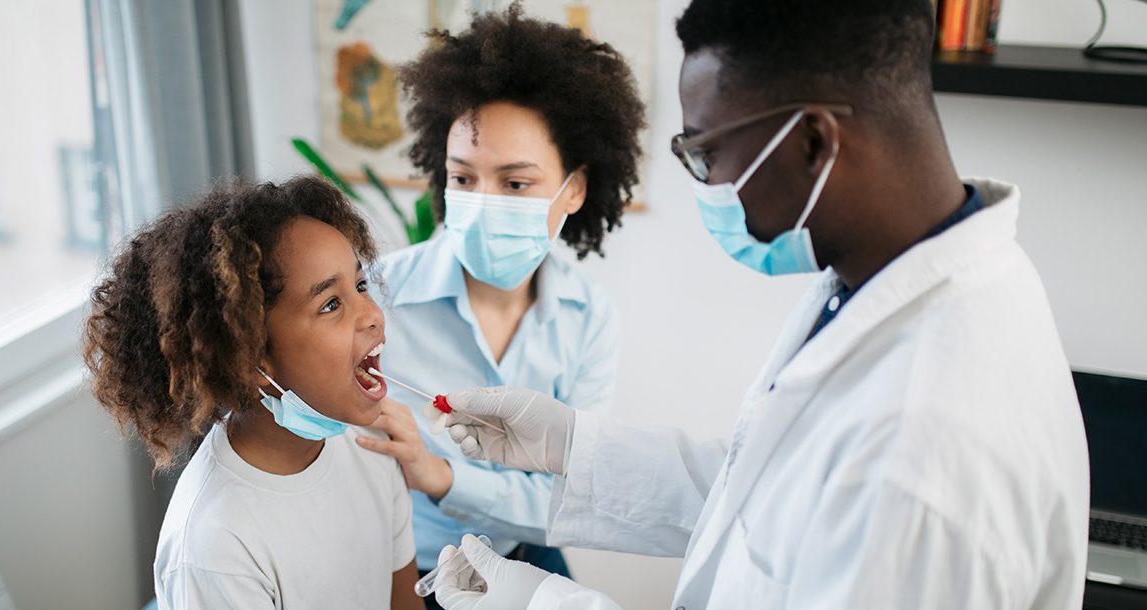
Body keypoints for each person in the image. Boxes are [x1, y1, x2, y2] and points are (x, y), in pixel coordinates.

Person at [424, 0, 1091, 608]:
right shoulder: (891, 281)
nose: (705, 185)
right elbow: (761, 495)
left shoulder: (918, 455)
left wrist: (544, 604)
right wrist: (569, 445)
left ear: (814, 142)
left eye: (707, 153)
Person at [352, 6, 645, 608]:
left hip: (525, 554)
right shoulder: (379, 297)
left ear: (576, 188)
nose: (483, 202)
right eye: (463, 178)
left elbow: (570, 501)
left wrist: (441, 477)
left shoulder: (586, 320)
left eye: (516, 184)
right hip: (401, 569)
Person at [83, 177, 422, 609]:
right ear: (252, 359)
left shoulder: (371, 446)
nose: (373, 314)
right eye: (331, 305)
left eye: (359, 287)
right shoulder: (216, 547)